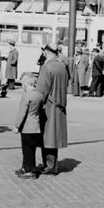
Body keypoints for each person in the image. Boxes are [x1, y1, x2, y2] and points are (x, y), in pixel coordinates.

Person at [35, 43, 69, 175]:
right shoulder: (62, 66)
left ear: (46, 52)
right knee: (54, 136)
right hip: (60, 105)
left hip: (49, 106)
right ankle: (52, 164)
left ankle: (49, 166)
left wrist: (37, 105)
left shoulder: (46, 67)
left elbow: (41, 90)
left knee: (47, 136)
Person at [13, 72, 43, 180]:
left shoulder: (26, 96)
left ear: (25, 84)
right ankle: (25, 168)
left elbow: (22, 112)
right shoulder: (39, 95)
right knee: (32, 150)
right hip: (36, 126)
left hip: (27, 127)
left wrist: (17, 125)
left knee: (27, 151)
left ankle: (29, 170)